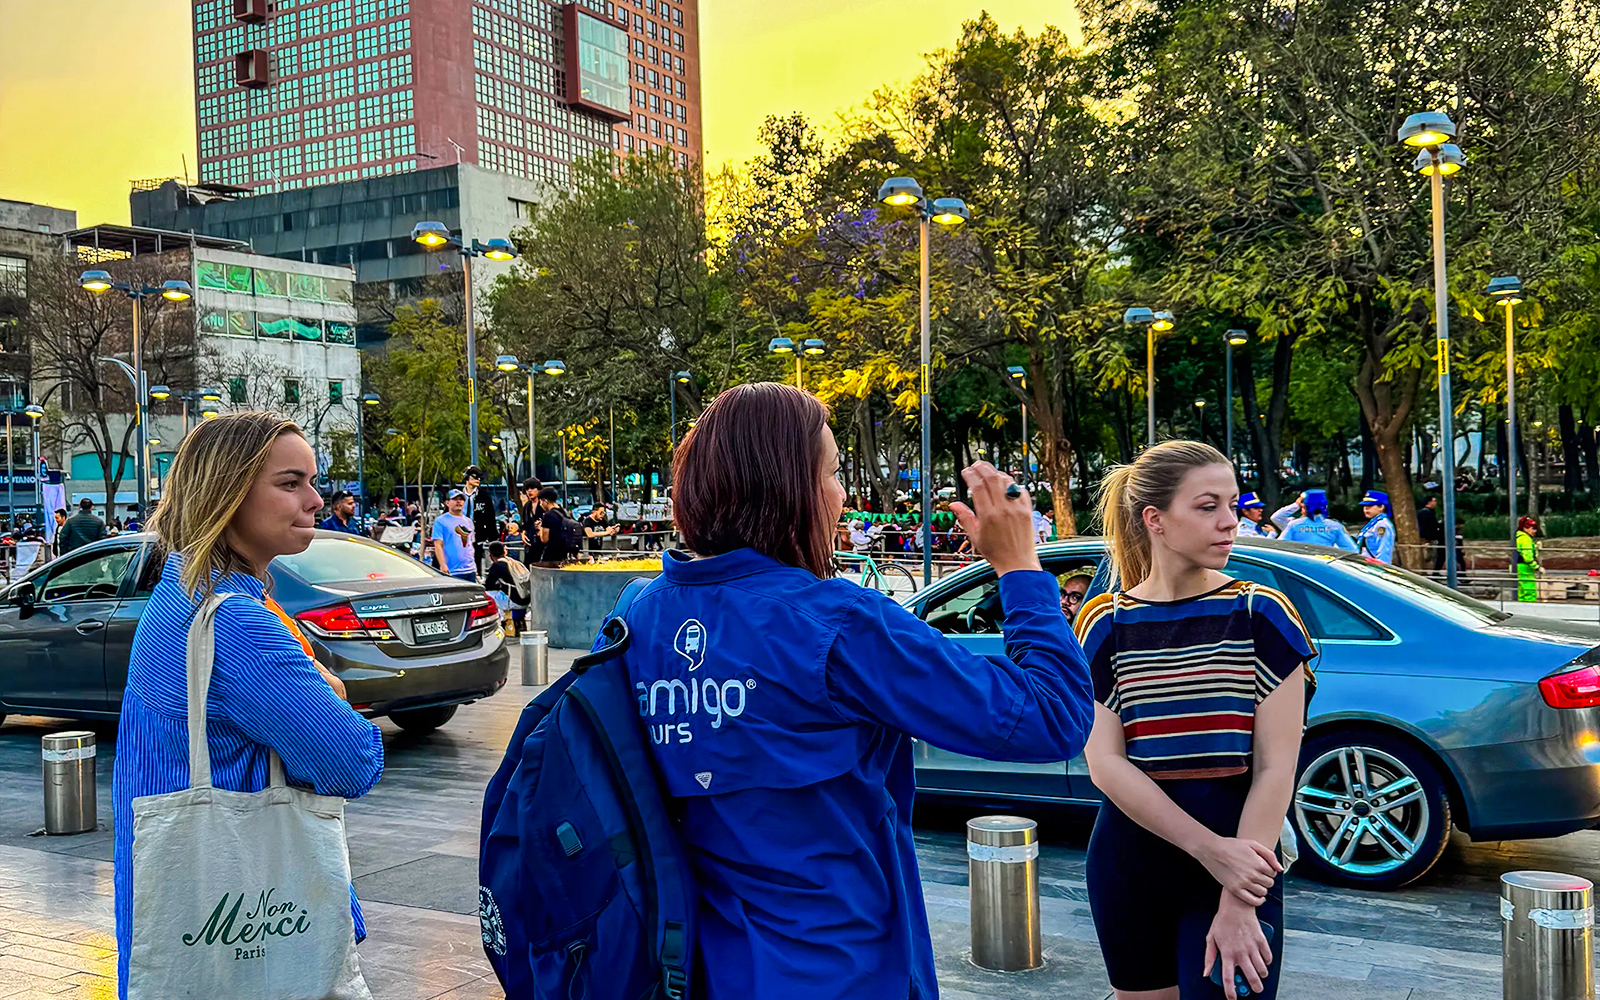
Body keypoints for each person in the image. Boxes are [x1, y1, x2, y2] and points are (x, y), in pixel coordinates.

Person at [624, 381, 1095, 999]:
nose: (843, 494)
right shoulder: (837, 624)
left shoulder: (640, 613)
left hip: (696, 964)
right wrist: (1021, 570)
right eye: (834, 473)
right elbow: (1053, 716)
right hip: (841, 964)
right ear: (788, 488)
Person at [112, 412, 384, 1000]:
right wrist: (332, 695)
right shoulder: (236, 621)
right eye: (290, 483)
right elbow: (352, 763)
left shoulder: (180, 594)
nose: (315, 500)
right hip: (249, 925)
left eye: (313, 481)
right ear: (227, 494)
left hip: (186, 907)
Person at [1076, 440, 1315, 1000]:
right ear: (1155, 520)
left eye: (1232, 505)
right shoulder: (1106, 622)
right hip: (1130, 859)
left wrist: (1237, 895)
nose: (1230, 521)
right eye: (1208, 506)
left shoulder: (1261, 614)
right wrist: (1209, 850)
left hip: (1245, 855)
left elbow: (1276, 768)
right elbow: (1104, 762)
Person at [1272, 489, 1358, 551]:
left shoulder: (1294, 525)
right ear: (1325, 507)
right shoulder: (1335, 526)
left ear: (1305, 507)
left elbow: (1279, 547)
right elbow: (1352, 549)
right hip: (1325, 566)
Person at [431, 488, 478, 581]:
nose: (458, 502)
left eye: (461, 499)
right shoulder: (440, 521)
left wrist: (475, 566)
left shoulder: (468, 521)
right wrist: (443, 565)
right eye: (455, 499)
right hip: (451, 571)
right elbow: (438, 545)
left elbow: (470, 544)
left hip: (469, 569)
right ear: (447, 503)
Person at [482, 540, 528, 631]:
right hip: (525, 600)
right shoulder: (514, 562)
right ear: (505, 551)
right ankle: (517, 623)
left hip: (515, 601)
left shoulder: (497, 566)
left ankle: (500, 622)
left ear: (490, 556)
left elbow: (489, 586)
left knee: (486, 596)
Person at [462, 465, 498, 573]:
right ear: (467, 478)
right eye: (475, 477)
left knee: (476, 563)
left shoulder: (484, 497)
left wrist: (493, 540)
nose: (478, 480)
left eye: (479, 478)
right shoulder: (458, 496)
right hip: (459, 536)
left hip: (477, 537)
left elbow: (490, 519)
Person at [1353, 489, 1396, 564]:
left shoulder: (1382, 525)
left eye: (1370, 505)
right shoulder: (1373, 524)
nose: (1366, 508)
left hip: (1374, 568)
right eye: (1364, 506)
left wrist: (1380, 571)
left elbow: (1383, 553)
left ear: (1381, 507)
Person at [534, 487, 573, 566]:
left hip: (551, 554)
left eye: (541, 502)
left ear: (545, 501)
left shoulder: (548, 515)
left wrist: (540, 528)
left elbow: (544, 539)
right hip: (564, 553)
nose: (540, 505)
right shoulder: (564, 512)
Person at [518, 478, 544, 565]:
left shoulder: (544, 504)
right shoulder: (527, 506)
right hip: (530, 543)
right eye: (527, 489)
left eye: (532, 488)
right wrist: (523, 533)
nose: (529, 491)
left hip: (542, 543)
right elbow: (525, 523)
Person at [1516, 515, 1541, 602]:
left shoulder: (1518, 537)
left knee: (1522, 590)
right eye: (1532, 528)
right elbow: (1527, 556)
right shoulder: (1525, 539)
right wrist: (1536, 567)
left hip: (1519, 566)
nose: (1535, 531)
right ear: (1525, 528)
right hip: (1526, 567)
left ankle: (1521, 606)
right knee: (1529, 590)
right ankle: (1530, 607)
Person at [1417, 493, 1444, 572]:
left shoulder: (1427, 512)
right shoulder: (1427, 512)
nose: (1435, 503)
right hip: (1429, 537)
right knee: (1431, 555)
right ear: (1429, 502)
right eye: (1434, 501)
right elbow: (1431, 525)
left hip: (1429, 536)